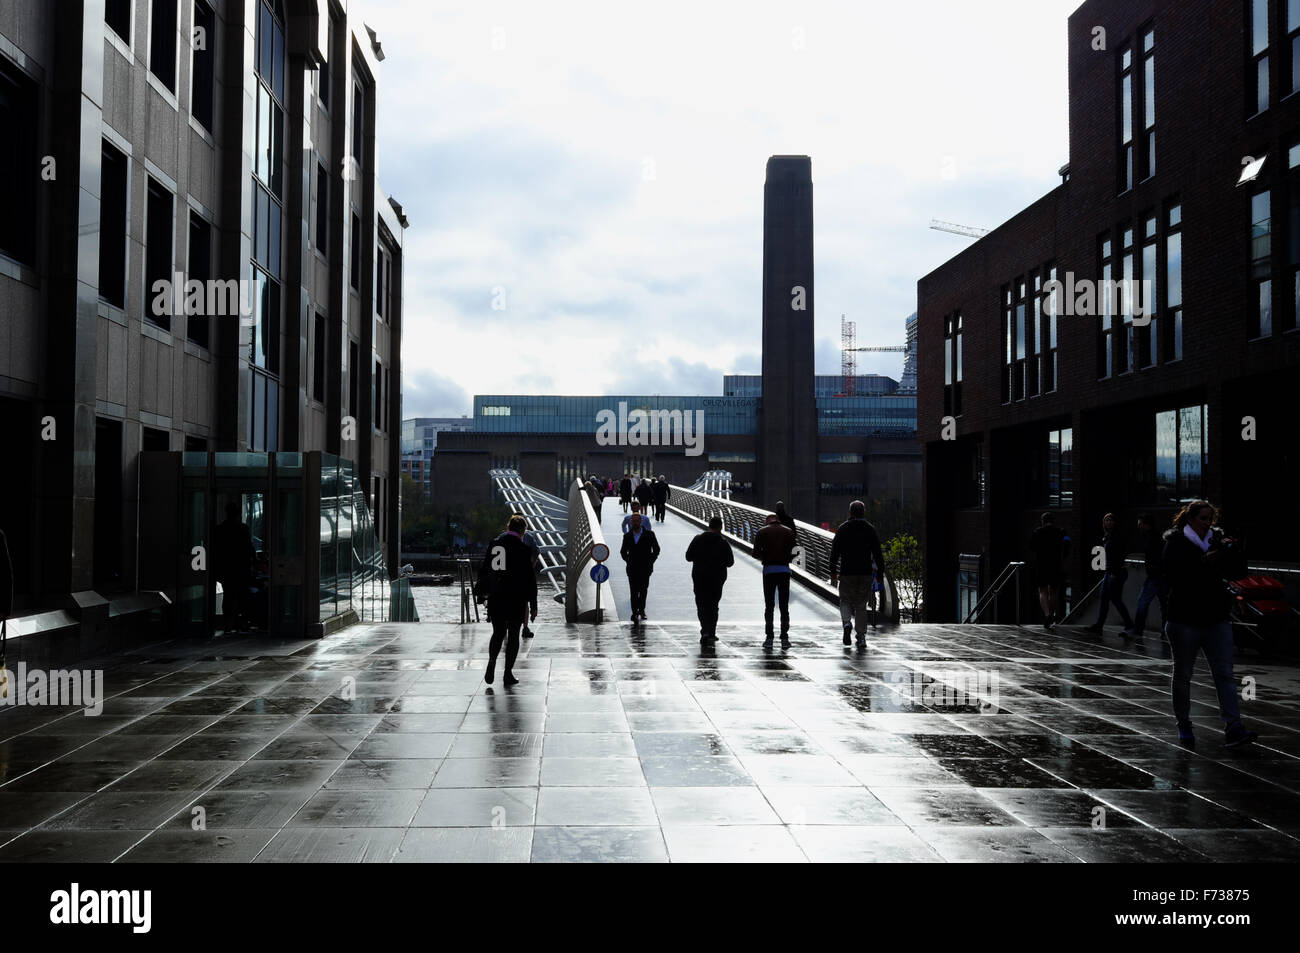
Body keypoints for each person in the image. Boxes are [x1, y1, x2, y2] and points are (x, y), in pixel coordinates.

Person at [1162, 501, 1257, 750]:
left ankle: (1234, 727)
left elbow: (1239, 572)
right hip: (1184, 620)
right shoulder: (1176, 543)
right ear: (1190, 519)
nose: (1208, 523)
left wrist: (1230, 553)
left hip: (1216, 618)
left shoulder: (1219, 541)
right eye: (1203, 518)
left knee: (1224, 674)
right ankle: (1184, 725)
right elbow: (1174, 577)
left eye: (1210, 518)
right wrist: (1206, 561)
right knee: (1183, 674)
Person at [475, 515, 538, 687]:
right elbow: (529, 578)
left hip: (497, 596)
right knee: (513, 636)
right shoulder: (522, 549)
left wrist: (481, 593)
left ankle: (492, 661)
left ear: (508, 527)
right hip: (516, 597)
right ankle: (508, 673)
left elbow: (485, 569)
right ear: (523, 531)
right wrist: (533, 604)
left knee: (498, 632)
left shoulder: (495, 545)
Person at [829, 500, 888, 648]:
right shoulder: (870, 529)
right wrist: (880, 572)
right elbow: (878, 554)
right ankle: (861, 636)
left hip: (847, 572)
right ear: (863, 512)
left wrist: (833, 572)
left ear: (850, 512)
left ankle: (847, 623)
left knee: (845, 601)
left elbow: (834, 553)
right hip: (865, 572)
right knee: (861, 605)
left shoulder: (842, 529)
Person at [685, 515, 734, 644]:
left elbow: (688, 557)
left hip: (699, 577)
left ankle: (704, 630)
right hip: (717, 579)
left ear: (709, 525)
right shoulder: (723, 542)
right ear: (720, 528)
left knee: (701, 604)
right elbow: (730, 562)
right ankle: (712, 632)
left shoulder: (697, 539)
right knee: (713, 605)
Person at [754, 513, 796, 648]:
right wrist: (786, 559)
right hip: (784, 570)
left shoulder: (762, 532)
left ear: (768, 522)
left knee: (769, 606)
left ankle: (769, 638)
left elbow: (755, 553)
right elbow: (795, 552)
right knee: (784, 606)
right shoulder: (788, 531)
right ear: (778, 520)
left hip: (769, 571)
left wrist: (766, 558)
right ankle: (784, 638)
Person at [1086, 512, 1134, 634]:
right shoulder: (1107, 536)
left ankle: (1129, 624)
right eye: (1106, 520)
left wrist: (1114, 572)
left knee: (1115, 599)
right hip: (1109, 572)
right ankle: (1099, 625)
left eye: (1111, 520)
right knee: (1104, 598)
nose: (1109, 522)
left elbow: (1120, 555)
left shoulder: (1117, 536)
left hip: (1117, 572)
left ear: (1115, 522)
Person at [214, 500, 255, 633]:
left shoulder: (220, 530)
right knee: (243, 596)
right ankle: (243, 622)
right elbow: (249, 548)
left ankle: (228, 622)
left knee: (228, 596)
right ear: (238, 514)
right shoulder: (243, 529)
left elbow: (217, 551)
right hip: (241, 568)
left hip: (227, 569)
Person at [1126, 513, 1168, 640]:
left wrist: (1155, 569)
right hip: (1160, 575)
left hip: (1155, 575)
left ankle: (1138, 630)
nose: (1138, 527)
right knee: (1164, 604)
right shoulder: (1156, 537)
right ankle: (1165, 631)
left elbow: (1155, 557)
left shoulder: (1151, 538)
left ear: (1146, 525)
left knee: (1143, 601)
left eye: (1140, 524)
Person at [1029, 512, 1070, 630]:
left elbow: (1031, 546)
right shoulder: (1062, 531)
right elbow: (1067, 543)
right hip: (1056, 564)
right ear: (1053, 521)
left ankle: (1047, 614)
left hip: (1042, 564)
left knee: (1042, 591)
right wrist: (1063, 557)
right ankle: (1052, 615)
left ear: (1042, 521)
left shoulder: (1037, 532)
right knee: (1053, 591)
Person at [620, 512, 659, 623]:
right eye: (633, 521)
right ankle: (634, 612)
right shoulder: (627, 536)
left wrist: (651, 560)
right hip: (632, 568)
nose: (635, 523)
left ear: (641, 522)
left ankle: (641, 610)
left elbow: (656, 549)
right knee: (633, 590)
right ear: (631, 522)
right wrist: (628, 560)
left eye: (637, 521)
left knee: (643, 590)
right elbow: (623, 551)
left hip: (645, 567)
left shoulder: (650, 534)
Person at [520, 521, 543, 639]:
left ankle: (506, 625)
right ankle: (525, 627)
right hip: (524, 574)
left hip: (505, 577)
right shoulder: (528, 537)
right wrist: (531, 566)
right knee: (524, 602)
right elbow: (537, 552)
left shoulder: (502, 537)